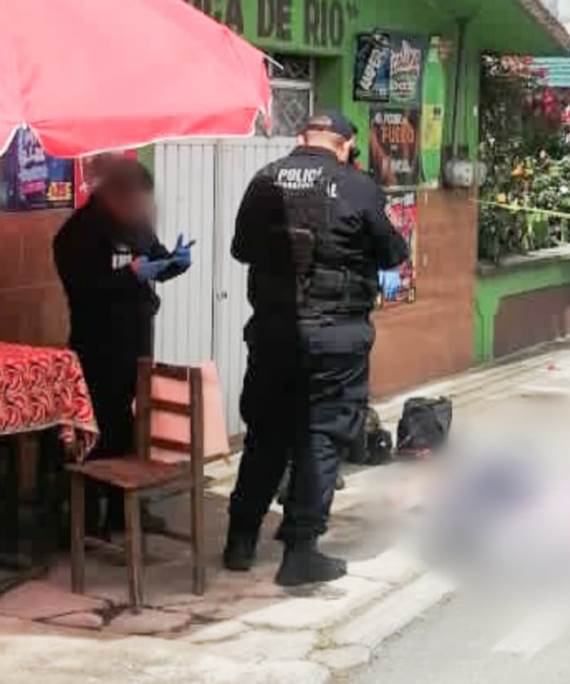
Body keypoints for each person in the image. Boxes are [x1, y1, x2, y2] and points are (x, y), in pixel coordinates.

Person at [223, 112, 408, 587]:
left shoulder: (265, 179)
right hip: (333, 336)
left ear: (302, 137)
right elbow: (393, 252)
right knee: (321, 437)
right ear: (345, 145)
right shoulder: (357, 187)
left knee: (266, 435)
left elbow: (241, 249)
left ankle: (240, 541)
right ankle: (300, 551)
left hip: (273, 331)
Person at [53, 158, 193, 532]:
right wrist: (129, 274)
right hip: (98, 344)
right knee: (98, 429)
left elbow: (156, 258)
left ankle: (125, 512)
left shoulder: (137, 225)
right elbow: (83, 289)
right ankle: (87, 518)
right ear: (113, 194)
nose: (140, 207)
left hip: (138, 336)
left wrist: (174, 263)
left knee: (133, 425)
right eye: (134, 199)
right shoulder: (77, 233)